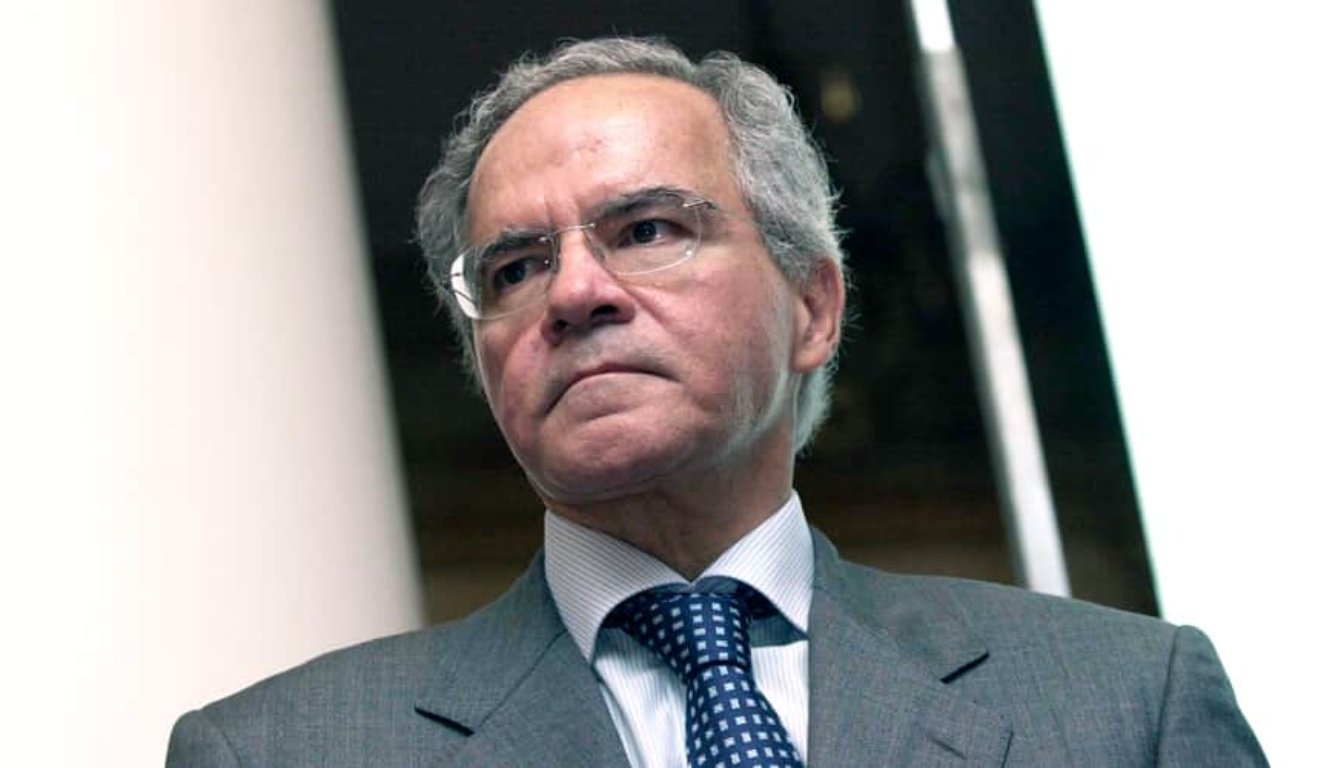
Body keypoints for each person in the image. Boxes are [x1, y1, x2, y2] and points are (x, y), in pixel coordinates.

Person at [166, 37, 1265, 766]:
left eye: (647, 229)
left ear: (812, 306)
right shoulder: (277, 754)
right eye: (516, 267)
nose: (576, 293)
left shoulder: (1129, 705)